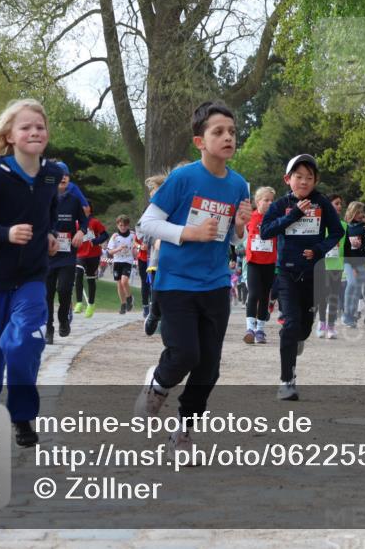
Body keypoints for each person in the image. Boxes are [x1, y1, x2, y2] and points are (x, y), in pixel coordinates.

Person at [133, 101, 251, 460]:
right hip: (176, 282)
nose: (228, 137)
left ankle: (183, 432)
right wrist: (189, 232)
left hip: (215, 284)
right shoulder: (183, 179)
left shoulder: (239, 184)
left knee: (208, 367)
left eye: (231, 131)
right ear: (200, 141)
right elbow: (147, 224)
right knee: (185, 353)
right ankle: (157, 384)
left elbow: (232, 239)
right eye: (219, 132)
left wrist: (242, 228)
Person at [0, 98, 62, 448]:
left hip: (32, 279)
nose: (35, 132)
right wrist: (5, 233)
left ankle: (22, 417)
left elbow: (47, 211)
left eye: (40, 126)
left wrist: (48, 236)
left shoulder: (52, 174)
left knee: (23, 347)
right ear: (10, 135)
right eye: (26, 127)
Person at [260, 154, 344, 401]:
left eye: (309, 177)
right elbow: (266, 231)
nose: (304, 182)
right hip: (286, 272)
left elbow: (337, 231)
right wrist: (293, 215)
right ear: (288, 179)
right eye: (299, 177)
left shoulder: (322, 203)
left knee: (304, 329)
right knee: (291, 324)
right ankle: (287, 381)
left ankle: (297, 339)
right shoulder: (281, 204)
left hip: (313, 273)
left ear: (316, 181)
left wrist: (318, 249)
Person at [44, 161, 87, 343]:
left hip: (68, 254)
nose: (63, 178)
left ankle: (63, 319)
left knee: (63, 290)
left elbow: (85, 221)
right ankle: (49, 329)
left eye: (66, 175)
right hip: (47, 254)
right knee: (46, 294)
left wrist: (80, 231)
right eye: (59, 175)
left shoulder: (74, 200)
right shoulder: (44, 199)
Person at [244, 186, 277, 344]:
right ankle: (250, 328)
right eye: (266, 200)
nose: (270, 203)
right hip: (253, 262)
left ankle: (260, 330)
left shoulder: (275, 218)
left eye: (272, 200)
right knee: (254, 293)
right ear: (257, 202)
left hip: (269, 262)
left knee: (265, 296)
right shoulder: (250, 217)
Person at [142, 172, 171, 336]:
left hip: (175, 259)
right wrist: (154, 241)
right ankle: (154, 314)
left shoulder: (175, 207)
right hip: (157, 259)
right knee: (157, 289)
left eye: (157, 192)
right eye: (152, 193)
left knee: (172, 292)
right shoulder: (151, 210)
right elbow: (145, 231)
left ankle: (165, 321)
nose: (154, 196)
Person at [317, 194, 346, 339]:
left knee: (334, 296)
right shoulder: (320, 225)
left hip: (337, 266)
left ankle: (331, 326)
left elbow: (346, 248)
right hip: (322, 265)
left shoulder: (344, 226)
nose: (339, 206)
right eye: (336, 203)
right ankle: (322, 323)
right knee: (323, 297)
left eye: (340, 203)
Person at [74, 201, 108, 318]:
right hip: (80, 255)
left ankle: (91, 304)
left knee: (90, 279)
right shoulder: (76, 222)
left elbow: (105, 235)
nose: (84, 208)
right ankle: (79, 302)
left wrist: (95, 242)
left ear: (90, 208)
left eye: (86, 206)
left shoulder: (95, 222)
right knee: (78, 274)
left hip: (93, 255)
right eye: (82, 206)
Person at [341, 201, 365, 327]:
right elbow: (346, 248)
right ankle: (347, 314)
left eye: (362, 212)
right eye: (358, 212)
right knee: (352, 284)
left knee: (358, 289)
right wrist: (353, 267)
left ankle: (352, 316)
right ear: (352, 212)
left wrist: (362, 246)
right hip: (349, 261)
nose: (360, 214)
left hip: (363, 262)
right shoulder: (347, 227)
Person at [106, 215, 136, 314]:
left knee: (124, 281)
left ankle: (129, 298)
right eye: (121, 225)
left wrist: (136, 252)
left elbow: (136, 245)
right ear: (117, 225)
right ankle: (123, 304)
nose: (123, 227)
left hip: (127, 260)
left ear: (128, 225)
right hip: (117, 261)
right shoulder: (115, 236)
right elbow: (109, 252)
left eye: (125, 225)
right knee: (119, 284)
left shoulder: (132, 234)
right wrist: (119, 249)